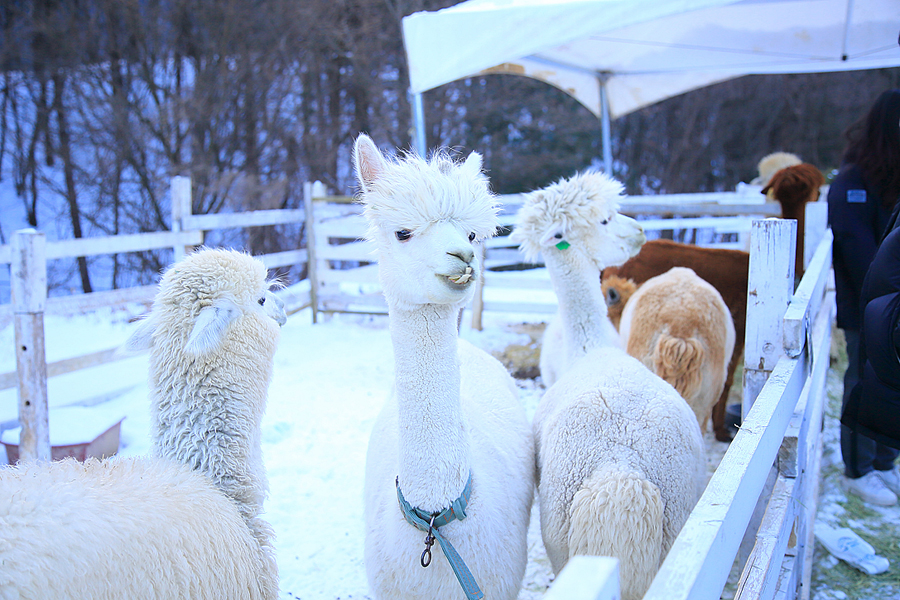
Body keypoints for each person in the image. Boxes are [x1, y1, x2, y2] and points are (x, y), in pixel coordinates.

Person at [827, 89, 900, 506]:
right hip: (867, 306)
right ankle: (858, 469)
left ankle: (885, 462)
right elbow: (856, 246)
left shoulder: (893, 176)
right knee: (864, 377)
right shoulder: (853, 180)